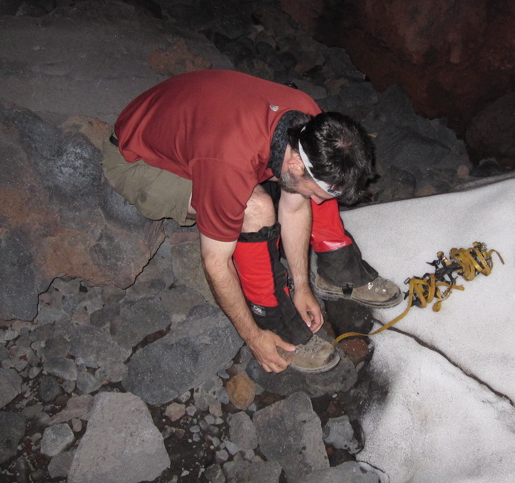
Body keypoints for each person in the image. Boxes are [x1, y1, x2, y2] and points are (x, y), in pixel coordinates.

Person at [101, 69, 402, 374]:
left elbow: (296, 207)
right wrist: (253, 337)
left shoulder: (311, 121)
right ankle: (270, 314)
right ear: (297, 163)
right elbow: (216, 264)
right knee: (255, 207)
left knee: (305, 188)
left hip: (198, 124)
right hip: (137, 162)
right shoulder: (228, 161)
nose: (323, 202)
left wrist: (301, 287)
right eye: (322, 194)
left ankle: (334, 269)